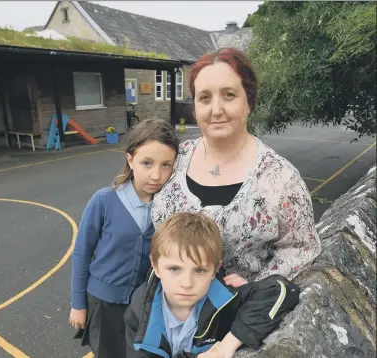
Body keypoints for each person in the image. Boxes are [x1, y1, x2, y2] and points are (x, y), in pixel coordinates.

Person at [151, 47, 321, 283]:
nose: (216, 110)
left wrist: (255, 288)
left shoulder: (280, 178)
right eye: (205, 98)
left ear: (249, 102)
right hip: (167, 309)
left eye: (229, 95)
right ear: (195, 107)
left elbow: (301, 248)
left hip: (237, 314)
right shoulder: (174, 158)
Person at [69, 118, 180, 358]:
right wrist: (78, 304)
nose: (156, 174)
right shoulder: (104, 200)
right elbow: (82, 253)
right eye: (147, 163)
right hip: (103, 303)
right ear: (130, 159)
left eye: (166, 165)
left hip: (143, 306)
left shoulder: (169, 207)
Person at [125, 212, 300, 358]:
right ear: (155, 266)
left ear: (215, 269)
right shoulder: (139, 308)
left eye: (199, 271)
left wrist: (226, 346)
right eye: (174, 269)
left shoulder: (224, 299)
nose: (186, 283)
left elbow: (282, 289)